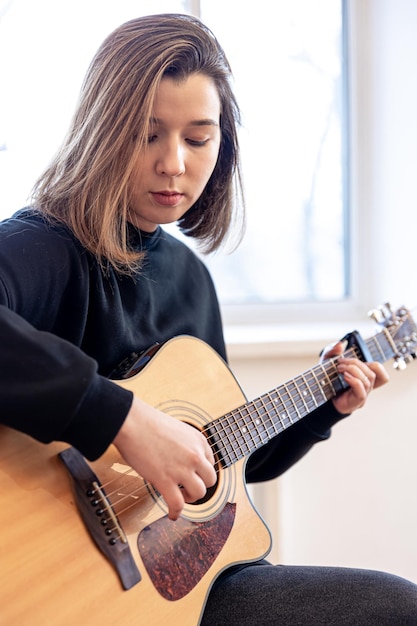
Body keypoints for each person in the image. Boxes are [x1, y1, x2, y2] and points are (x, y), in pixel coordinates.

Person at [0, 13, 416, 625]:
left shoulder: (189, 279)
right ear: (102, 133)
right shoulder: (42, 247)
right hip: (52, 585)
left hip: (179, 583)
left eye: (198, 139)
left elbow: (220, 457)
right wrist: (125, 420)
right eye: (148, 135)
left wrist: (325, 404)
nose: (174, 163)